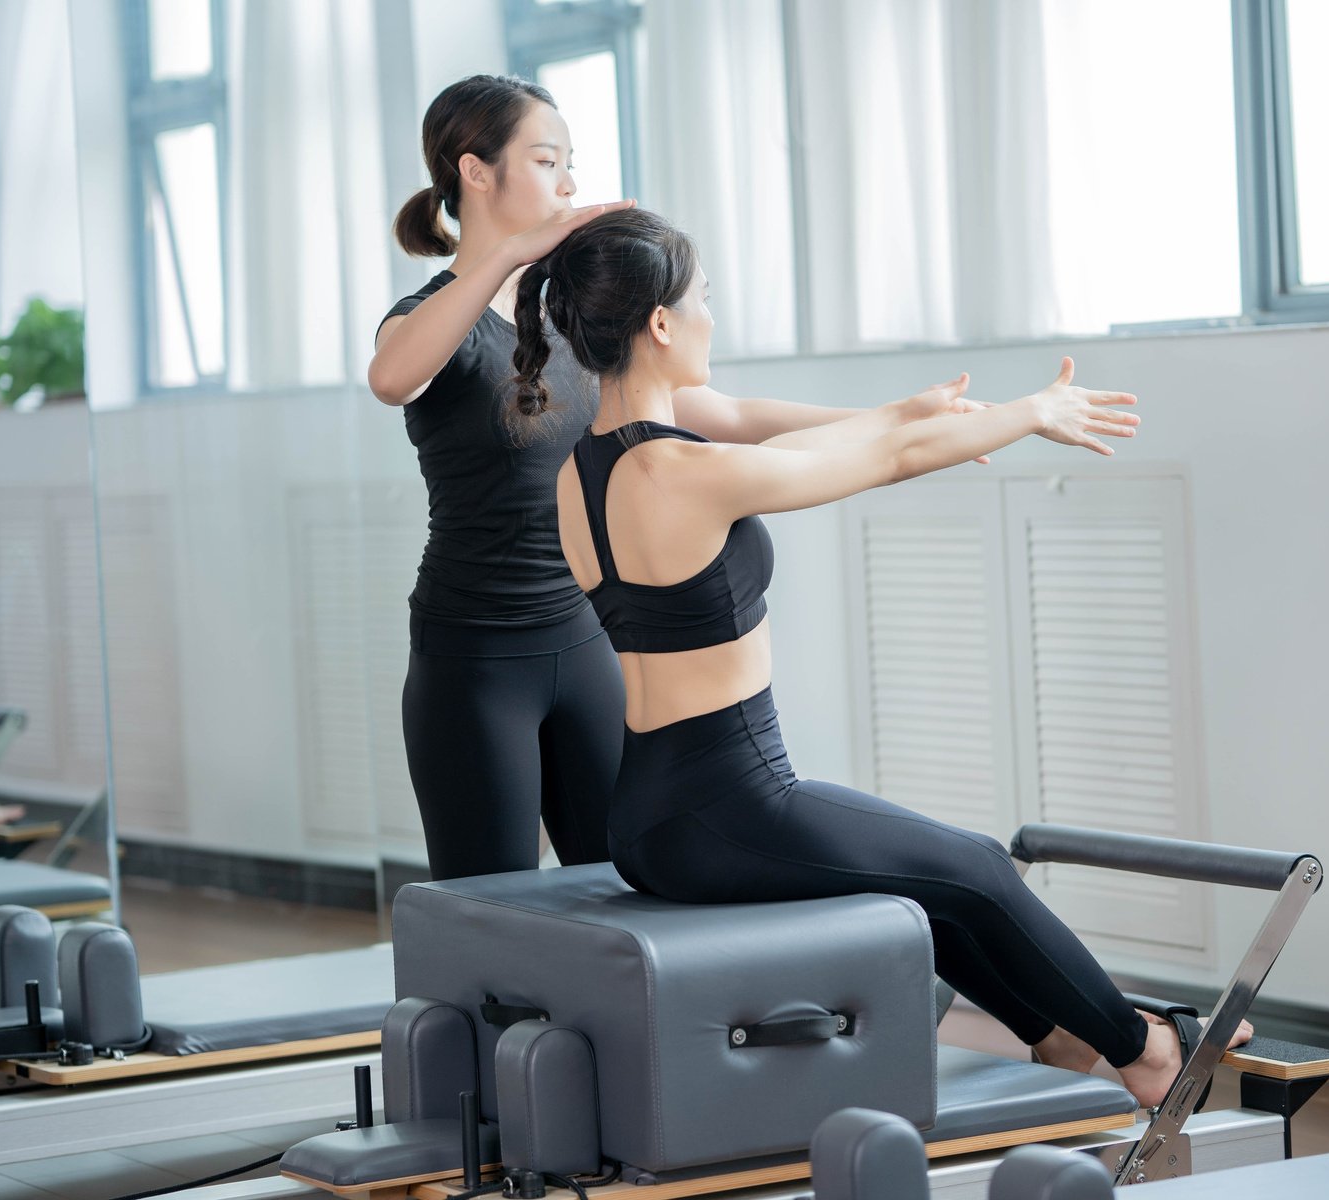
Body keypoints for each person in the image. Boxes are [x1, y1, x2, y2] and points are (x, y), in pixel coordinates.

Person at [513, 207, 1252, 1105]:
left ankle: (1060, 1033)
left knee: (945, 872)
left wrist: (907, 410)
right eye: (704, 298)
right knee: (973, 870)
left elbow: (795, 442)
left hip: (651, 812)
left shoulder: (584, 471)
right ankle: (1147, 1054)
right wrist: (1031, 413)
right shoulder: (685, 473)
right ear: (661, 323)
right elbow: (887, 459)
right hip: (729, 801)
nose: (714, 316)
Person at [369, 75, 970, 878]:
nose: (570, 185)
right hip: (472, 662)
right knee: (487, 902)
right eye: (549, 162)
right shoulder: (429, 317)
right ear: (477, 173)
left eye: (570, 164)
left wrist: (900, 416)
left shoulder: (572, 319)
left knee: (618, 881)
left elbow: (724, 413)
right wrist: (509, 253)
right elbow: (392, 378)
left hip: (585, 643)